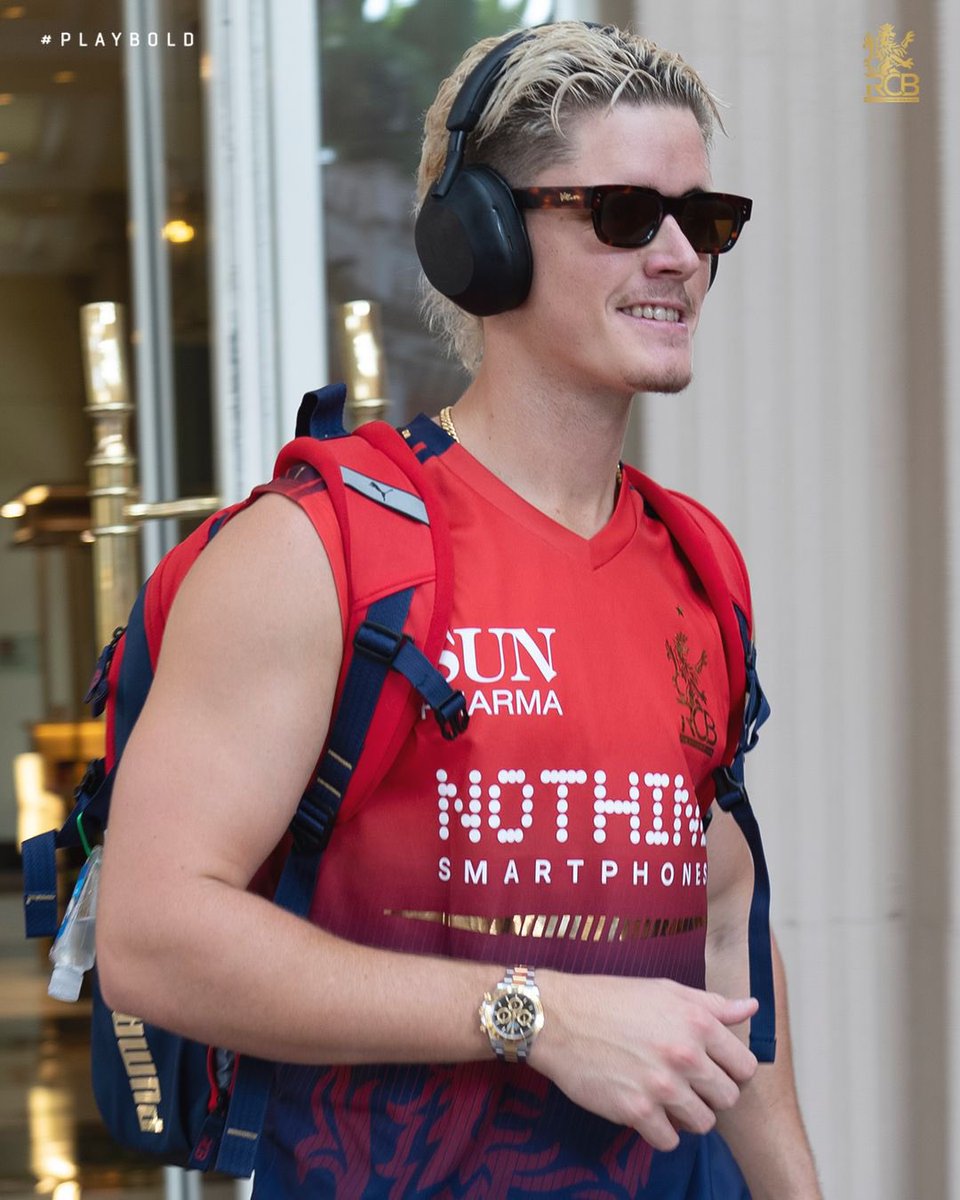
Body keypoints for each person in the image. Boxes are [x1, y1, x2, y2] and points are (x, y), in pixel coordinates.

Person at [98, 20, 822, 1198]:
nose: (682, 256)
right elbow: (153, 936)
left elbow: (728, 918)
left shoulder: (698, 564)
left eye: (710, 219)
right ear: (481, 238)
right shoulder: (324, 549)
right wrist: (533, 1015)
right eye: (627, 216)